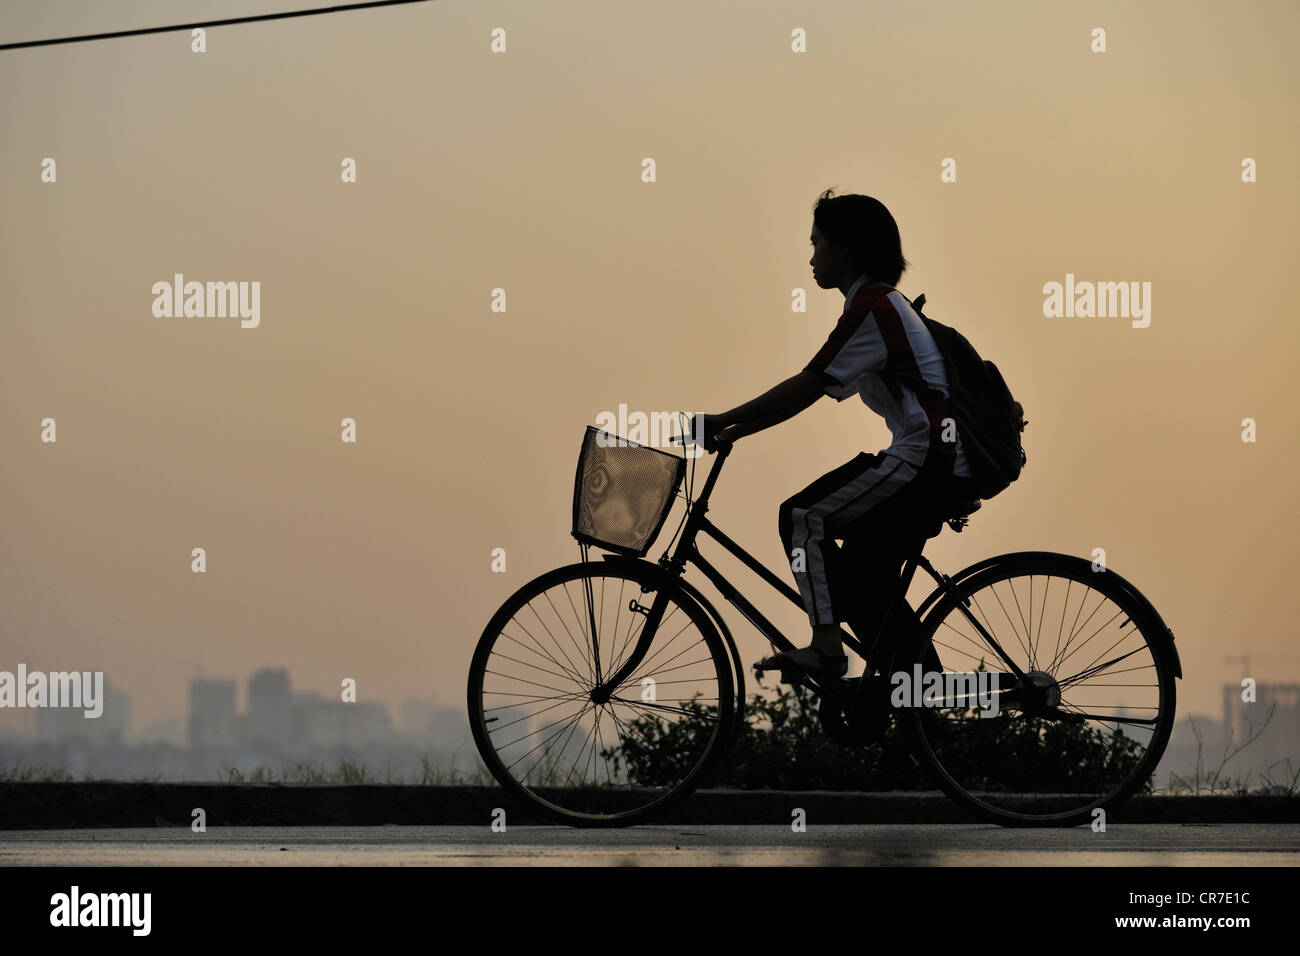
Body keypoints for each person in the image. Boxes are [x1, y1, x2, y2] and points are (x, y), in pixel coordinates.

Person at [694, 189, 978, 679]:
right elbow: (814, 390)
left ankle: (826, 648)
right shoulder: (878, 305)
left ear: (845, 247)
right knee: (867, 592)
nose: (811, 257)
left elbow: (806, 386)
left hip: (927, 458)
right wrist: (737, 429)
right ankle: (922, 701)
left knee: (804, 516)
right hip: (936, 462)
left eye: (817, 242)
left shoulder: (874, 308)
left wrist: (722, 420)